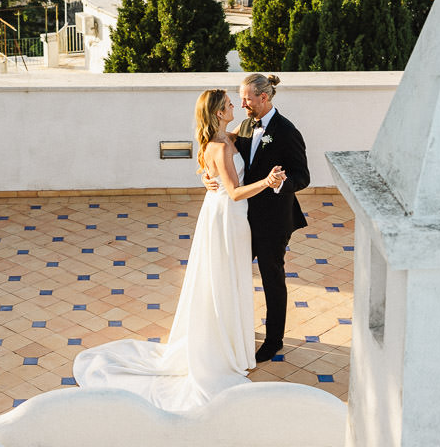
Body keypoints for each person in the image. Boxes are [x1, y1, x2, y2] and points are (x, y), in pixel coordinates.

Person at [73, 89, 286, 411]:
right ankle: (223, 346)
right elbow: (234, 192)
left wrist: (204, 176)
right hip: (228, 216)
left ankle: (231, 341)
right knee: (223, 278)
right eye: (229, 104)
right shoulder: (219, 146)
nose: (235, 107)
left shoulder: (226, 137)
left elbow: (209, 169)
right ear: (218, 112)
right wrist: (268, 182)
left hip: (227, 215)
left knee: (228, 278)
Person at [208, 73, 309, 363]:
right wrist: (206, 176)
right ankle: (233, 330)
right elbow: (219, 155)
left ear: (263, 97)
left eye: (246, 98)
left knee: (271, 278)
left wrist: (278, 182)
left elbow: (303, 176)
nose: (241, 104)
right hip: (242, 217)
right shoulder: (246, 125)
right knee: (233, 273)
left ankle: (274, 340)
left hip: (274, 221)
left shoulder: (287, 131)